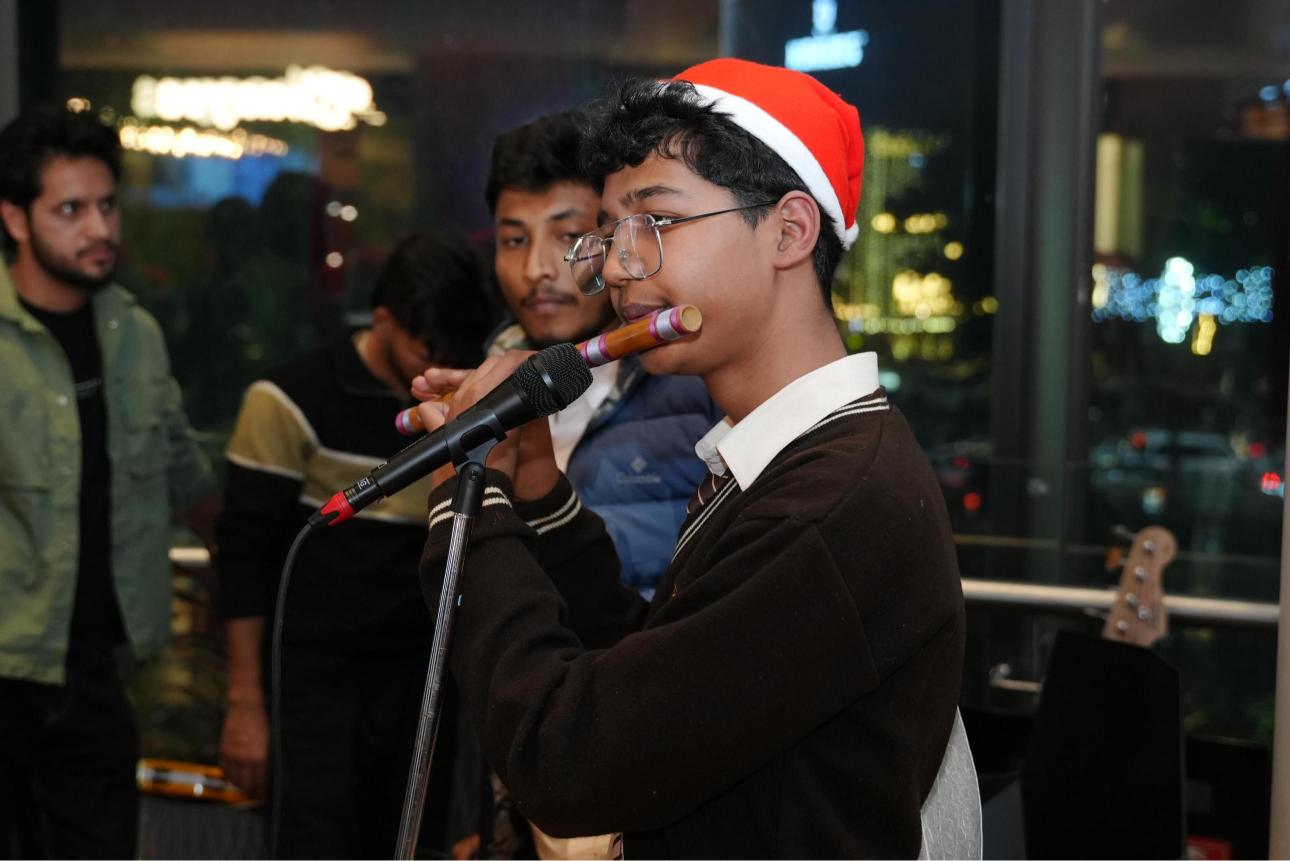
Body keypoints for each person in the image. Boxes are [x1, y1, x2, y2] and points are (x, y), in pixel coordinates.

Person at [413, 59, 978, 858]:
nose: (617, 267)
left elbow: (570, 759)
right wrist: (535, 487)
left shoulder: (832, 500)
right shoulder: (790, 460)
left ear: (789, 231)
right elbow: (650, 681)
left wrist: (468, 507)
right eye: (613, 233)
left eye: (657, 222)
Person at [215, 229, 494, 859]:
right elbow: (244, 562)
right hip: (313, 692)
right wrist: (244, 703)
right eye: (424, 347)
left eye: (454, 351)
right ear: (383, 321)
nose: (438, 366)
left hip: (421, 690)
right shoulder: (289, 401)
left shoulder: (465, 406)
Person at [0, 105, 218, 858]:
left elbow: (183, 471)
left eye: (106, 205)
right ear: (15, 219)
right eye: (70, 210)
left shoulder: (135, 335)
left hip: (96, 670)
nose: (99, 228)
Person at [484, 110, 722, 600]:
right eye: (514, 240)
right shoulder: (487, 379)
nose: (536, 269)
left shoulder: (699, 379)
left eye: (570, 237)